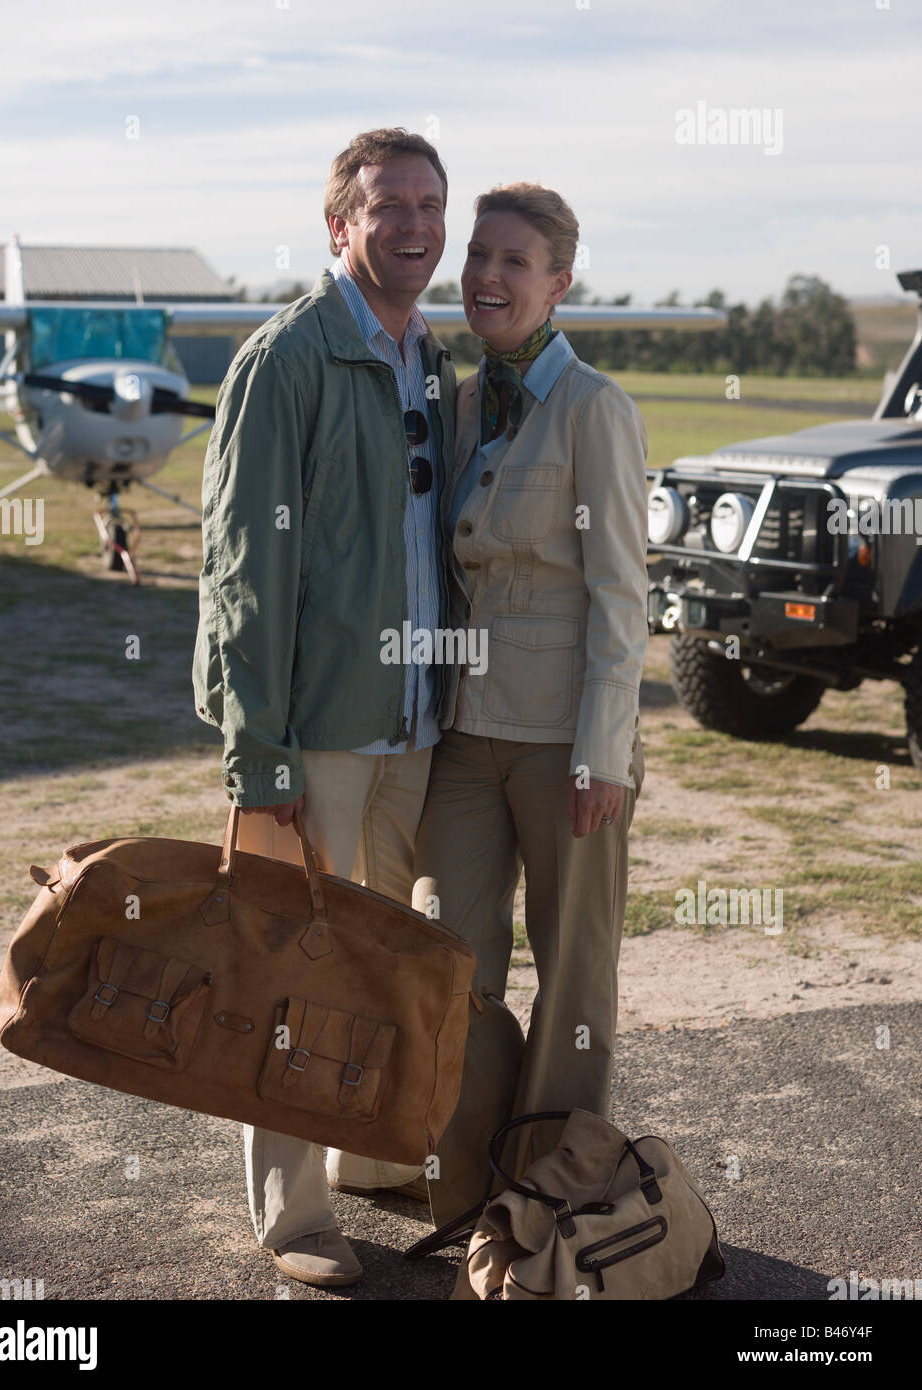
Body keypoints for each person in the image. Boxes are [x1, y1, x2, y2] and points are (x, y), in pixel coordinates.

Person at [192, 128, 456, 1288]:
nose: (414, 224)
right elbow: (243, 568)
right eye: (388, 203)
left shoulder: (428, 357)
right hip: (316, 733)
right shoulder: (286, 357)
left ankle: (357, 1159)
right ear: (339, 225)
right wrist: (261, 753)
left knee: (374, 962)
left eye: (429, 204)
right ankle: (292, 1216)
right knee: (288, 976)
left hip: (411, 726)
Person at [410, 183, 649, 1229]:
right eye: (477, 256)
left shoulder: (596, 408)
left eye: (515, 261)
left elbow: (620, 596)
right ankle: (464, 1181)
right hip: (464, 733)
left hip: (565, 742)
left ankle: (554, 1188)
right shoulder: (460, 401)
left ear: (557, 284)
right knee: (446, 957)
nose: (486, 277)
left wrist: (606, 753)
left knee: (573, 971)